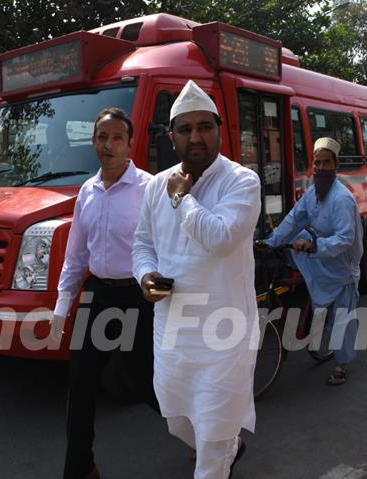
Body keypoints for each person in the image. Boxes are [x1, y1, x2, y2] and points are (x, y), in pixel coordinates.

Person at [132, 80, 261, 479]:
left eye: (204, 127)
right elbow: (142, 243)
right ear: (172, 137)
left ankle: (222, 451)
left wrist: (182, 198)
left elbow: (220, 238)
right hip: (173, 330)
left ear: (219, 131)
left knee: (212, 437)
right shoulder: (157, 185)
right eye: (185, 129)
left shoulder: (242, 182)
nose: (196, 137)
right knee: (178, 419)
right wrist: (145, 274)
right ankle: (229, 446)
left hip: (225, 334)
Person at [49, 107, 157, 479]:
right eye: (101, 137)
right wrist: (62, 309)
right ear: (93, 142)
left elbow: (168, 248)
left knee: (149, 385)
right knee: (79, 384)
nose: (107, 145)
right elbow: (76, 254)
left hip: (138, 298)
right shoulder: (87, 192)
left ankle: (211, 441)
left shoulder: (149, 189)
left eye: (116, 138)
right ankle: (80, 468)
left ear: (130, 144)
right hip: (97, 296)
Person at [260, 137, 363, 386]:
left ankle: (341, 364)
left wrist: (315, 245)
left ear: (335, 165)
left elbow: (345, 239)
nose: (321, 167)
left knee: (341, 319)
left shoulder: (341, 199)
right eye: (317, 163)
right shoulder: (312, 193)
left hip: (341, 265)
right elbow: (294, 219)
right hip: (319, 258)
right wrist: (270, 242)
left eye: (326, 162)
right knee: (295, 235)